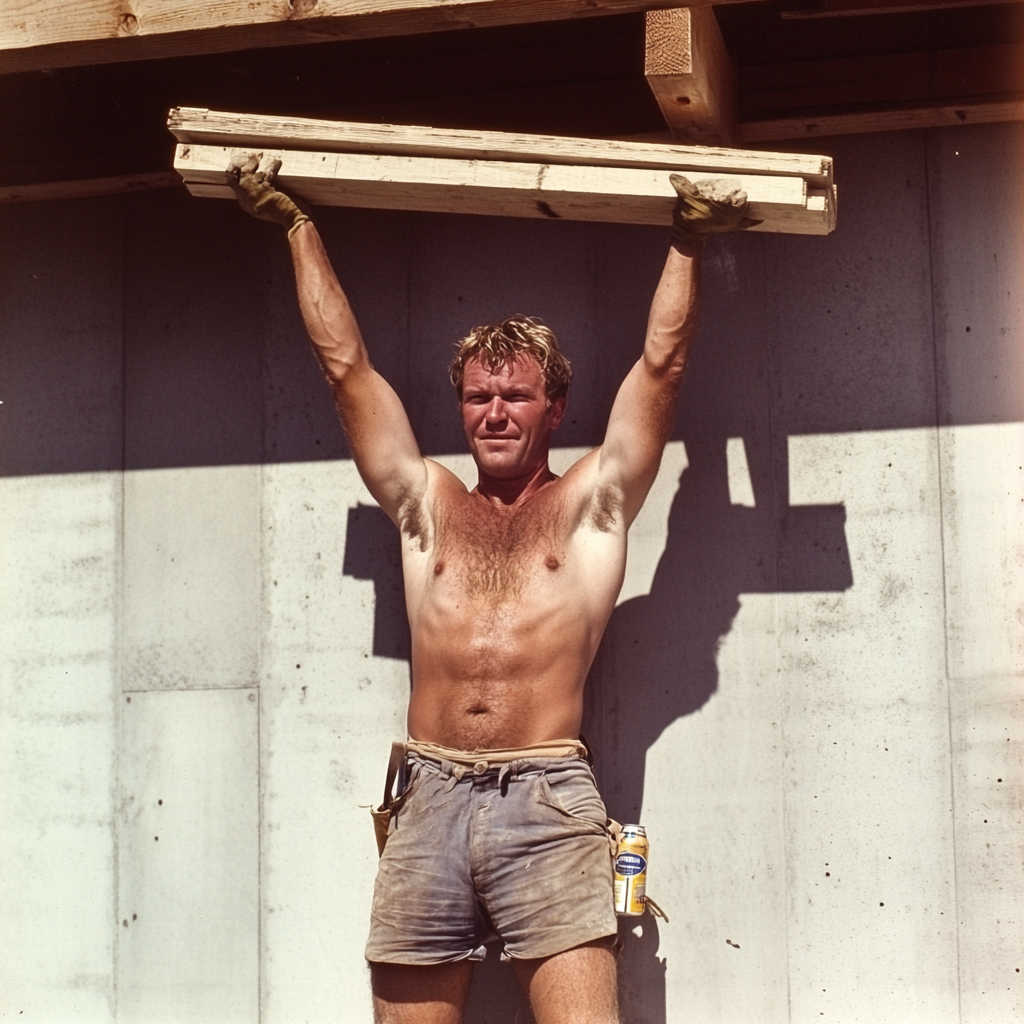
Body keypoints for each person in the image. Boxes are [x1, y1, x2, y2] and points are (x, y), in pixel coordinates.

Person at [229, 153, 754, 1024]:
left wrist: (688, 240)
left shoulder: (591, 506)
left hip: (547, 798)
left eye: (516, 395)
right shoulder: (425, 504)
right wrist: (297, 227)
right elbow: (347, 369)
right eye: (479, 398)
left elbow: (660, 370)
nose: (496, 413)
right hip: (428, 799)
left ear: (555, 407)